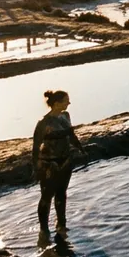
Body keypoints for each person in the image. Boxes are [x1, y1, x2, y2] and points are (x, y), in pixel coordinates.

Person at [32, 89, 85, 234]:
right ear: (56, 103)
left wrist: (81, 149)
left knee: (62, 193)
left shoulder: (65, 116)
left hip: (65, 161)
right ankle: (44, 229)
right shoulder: (43, 123)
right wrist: (35, 167)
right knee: (47, 196)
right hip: (49, 164)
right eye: (66, 101)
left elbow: (71, 135)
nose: (69, 103)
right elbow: (36, 146)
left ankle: (61, 224)